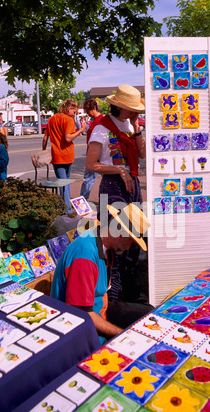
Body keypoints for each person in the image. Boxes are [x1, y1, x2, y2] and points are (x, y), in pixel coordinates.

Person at [50, 203, 153, 341]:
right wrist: (122, 335)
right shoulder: (85, 255)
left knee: (149, 313)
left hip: (98, 309)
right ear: (122, 234)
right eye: (133, 244)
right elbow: (82, 314)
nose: (130, 248)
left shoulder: (103, 244)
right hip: (78, 325)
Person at [86, 85, 146, 303]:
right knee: (115, 240)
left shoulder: (131, 125)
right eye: (134, 109)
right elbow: (92, 165)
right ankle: (111, 295)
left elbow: (141, 154)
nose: (137, 112)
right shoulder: (101, 128)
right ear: (122, 107)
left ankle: (129, 288)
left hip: (132, 185)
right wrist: (119, 170)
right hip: (113, 187)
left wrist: (137, 127)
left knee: (135, 236)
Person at [42, 99, 87, 213]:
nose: (74, 114)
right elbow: (68, 138)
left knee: (63, 182)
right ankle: (67, 210)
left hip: (57, 155)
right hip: (67, 154)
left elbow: (45, 138)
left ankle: (65, 207)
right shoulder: (68, 120)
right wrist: (81, 130)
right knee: (65, 183)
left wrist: (43, 150)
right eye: (74, 112)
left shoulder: (51, 119)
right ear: (69, 108)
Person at [79, 98, 103, 200]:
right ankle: (83, 201)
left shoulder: (100, 121)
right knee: (89, 179)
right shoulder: (95, 121)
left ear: (94, 108)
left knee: (88, 179)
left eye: (89, 111)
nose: (88, 114)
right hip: (93, 153)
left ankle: (82, 201)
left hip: (97, 155)